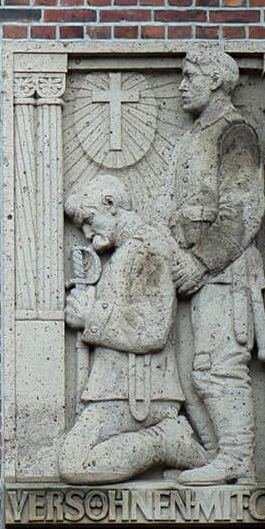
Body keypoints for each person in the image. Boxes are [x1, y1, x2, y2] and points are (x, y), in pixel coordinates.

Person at [59, 175, 210, 484]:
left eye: (89, 220)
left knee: (74, 465)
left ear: (111, 206)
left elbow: (151, 327)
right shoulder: (127, 251)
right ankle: (164, 440)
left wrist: (91, 316)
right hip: (117, 389)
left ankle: (165, 440)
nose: (86, 233)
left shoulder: (147, 248)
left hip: (138, 394)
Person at [166, 46, 265, 485]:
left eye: (190, 76)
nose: (182, 85)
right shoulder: (194, 136)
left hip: (224, 274)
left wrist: (200, 262)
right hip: (191, 272)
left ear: (214, 80)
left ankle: (237, 460)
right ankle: (216, 456)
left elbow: (244, 211)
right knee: (192, 372)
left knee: (218, 368)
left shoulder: (235, 131)